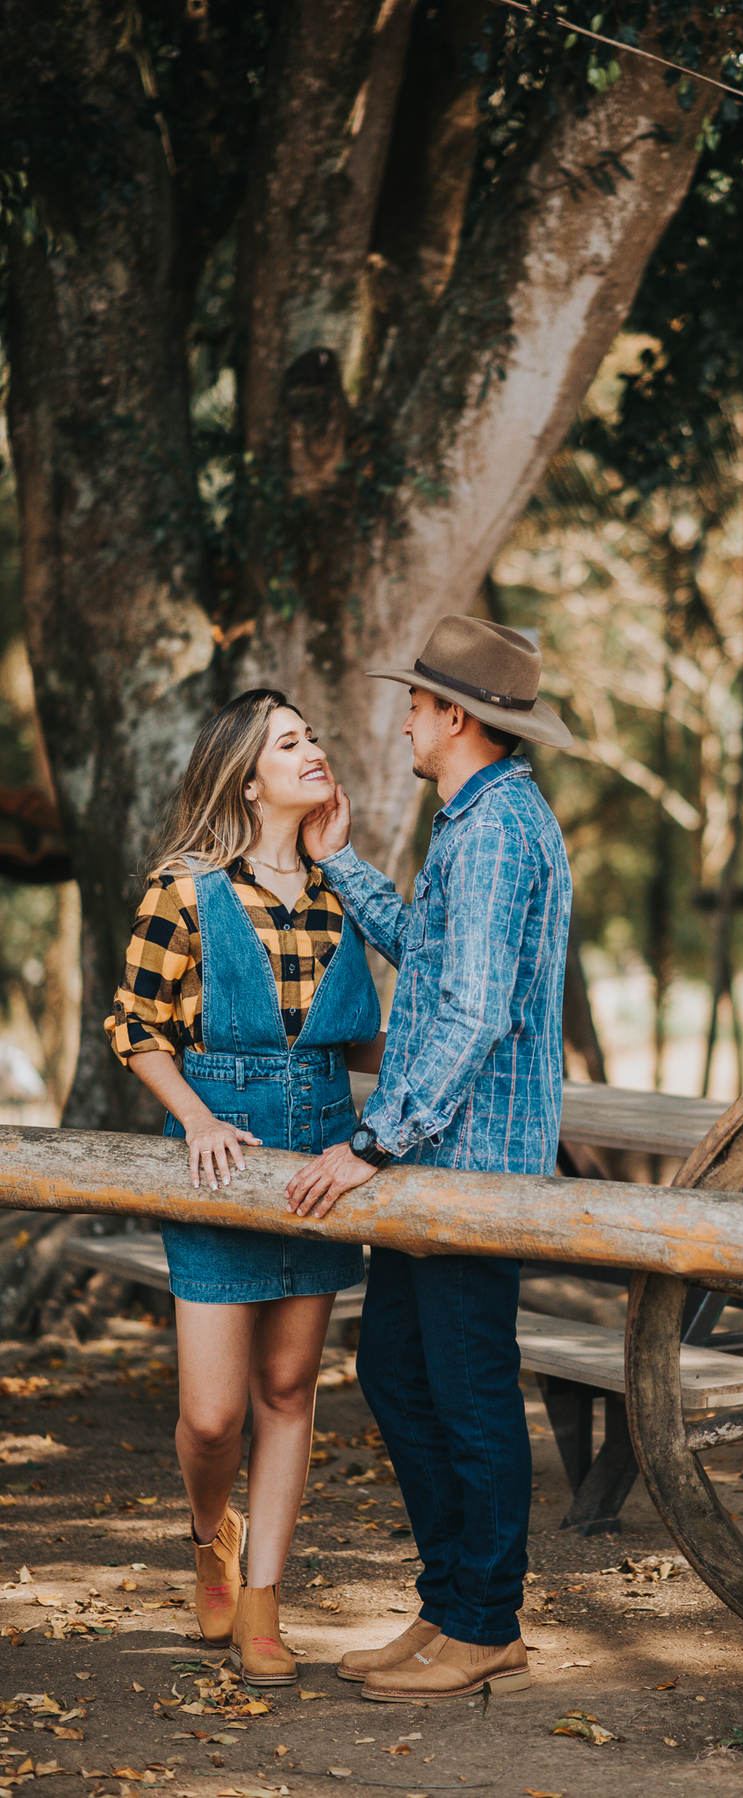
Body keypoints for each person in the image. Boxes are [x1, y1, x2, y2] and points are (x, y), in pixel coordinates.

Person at [285, 615, 572, 1703]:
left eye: (414, 702)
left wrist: (369, 1142)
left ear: (455, 717)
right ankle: (452, 1603)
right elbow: (432, 955)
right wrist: (343, 867)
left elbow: (472, 1013)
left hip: (470, 1164)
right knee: (399, 1372)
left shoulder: (498, 830)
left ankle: (487, 1622)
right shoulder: (477, 819)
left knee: (467, 1388)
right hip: (437, 1158)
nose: (402, 717)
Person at [105, 690, 383, 1685]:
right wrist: (197, 1117)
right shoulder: (182, 891)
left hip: (322, 1161)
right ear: (245, 774)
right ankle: (206, 1535)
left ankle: (263, 1604)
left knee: (287, 1389)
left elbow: (374, 1030)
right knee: (214, 1413)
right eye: (290, 742)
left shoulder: (342, 887)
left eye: (313, 736)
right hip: (220, 1163)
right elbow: (134, 1027)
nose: (315, 751)